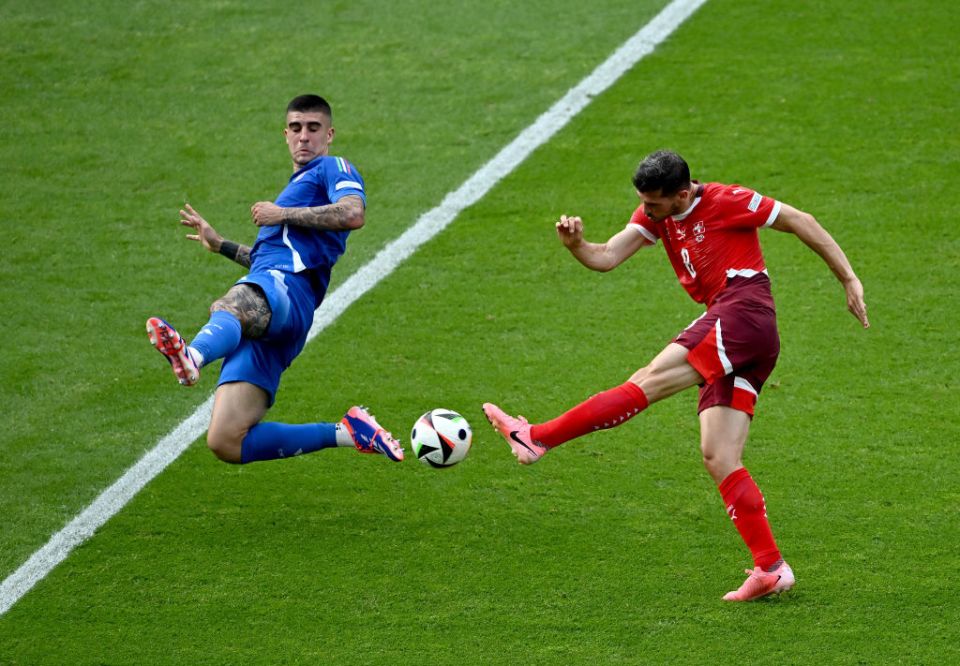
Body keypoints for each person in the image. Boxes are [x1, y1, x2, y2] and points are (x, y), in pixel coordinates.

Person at [483, 150, 869, 601]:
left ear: (682, 194)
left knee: (646, 380)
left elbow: (802, 219)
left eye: (655, 205)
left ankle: (537, 438)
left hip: (743, 313)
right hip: (745, 335)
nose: (648, 213)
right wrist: (576, 247)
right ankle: (772, 568)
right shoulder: (657, 213)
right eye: (644, 203)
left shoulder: (728, 201)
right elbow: (606, 256)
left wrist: (848, 279)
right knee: (718, 454)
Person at [147, 94, 403, 465]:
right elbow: (265, 261)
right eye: (296, 128)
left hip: (285, 291)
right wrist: (220, 245)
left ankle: (194, 355)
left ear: (329, 134)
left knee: (231, 305)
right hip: (275, 303)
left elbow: (353, 212)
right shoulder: (299, 188)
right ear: (285, 134)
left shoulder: (332, 167)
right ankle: (347, 431)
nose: (304, 137)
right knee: (226, 440)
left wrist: (280, 212)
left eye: (313, 129)